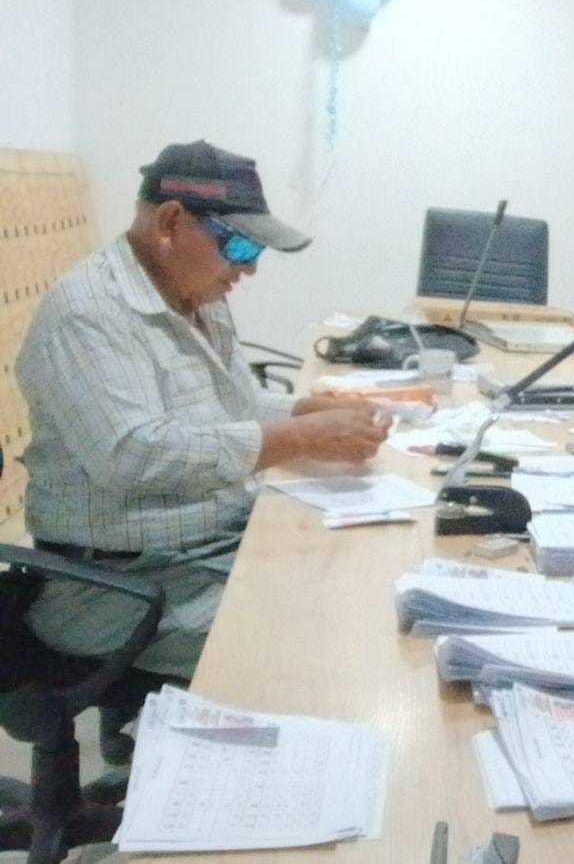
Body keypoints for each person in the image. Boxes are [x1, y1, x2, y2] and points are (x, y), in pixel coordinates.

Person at [18, 140, 392, 682]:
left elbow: (231, 404)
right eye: (240, 246)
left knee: (360, 577)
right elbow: (134, 454)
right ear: (170, 222)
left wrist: (304, 409)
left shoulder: (196, 296)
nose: (250, 268)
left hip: (206, 550)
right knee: (327, 641)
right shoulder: (88, 314)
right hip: (118, 586)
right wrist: (302, 436)